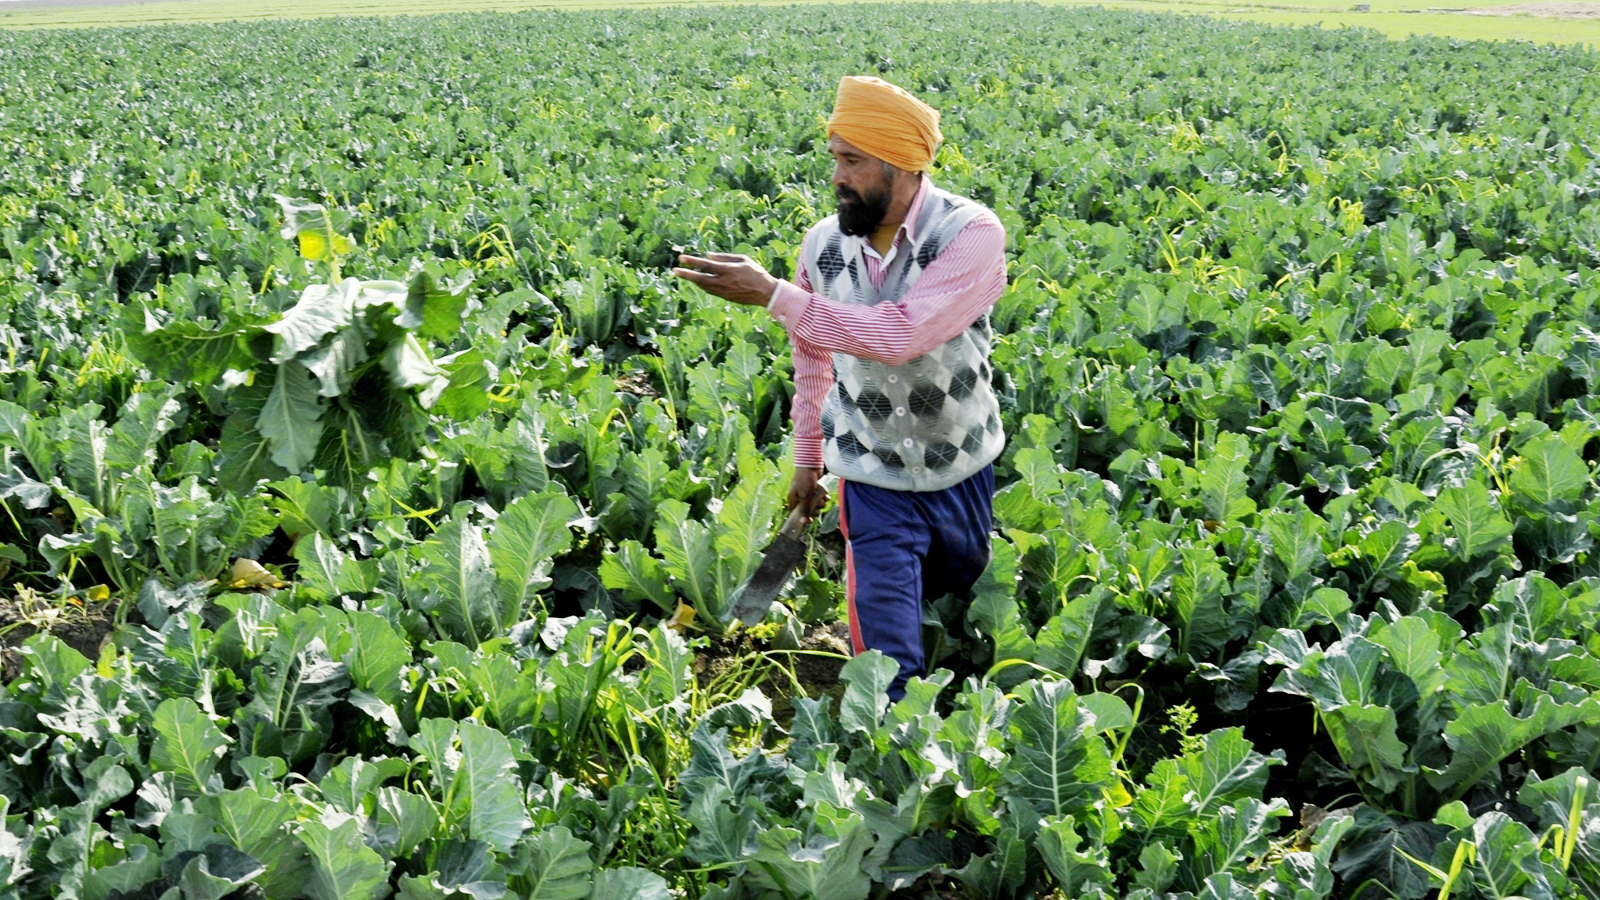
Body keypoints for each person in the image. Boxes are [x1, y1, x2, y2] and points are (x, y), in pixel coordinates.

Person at [673, 75, 1006, 701]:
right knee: (885, 661)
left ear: (900, 164)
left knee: (958, 589)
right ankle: (895, 740)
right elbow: (813, 360)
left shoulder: (970, 235)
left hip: (959, 462)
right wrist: (808, 459)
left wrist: (774, 294)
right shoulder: (823, 245)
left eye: (853, 161)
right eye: (835, 159)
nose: (837, 177)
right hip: (870, 474)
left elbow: (901, 335)